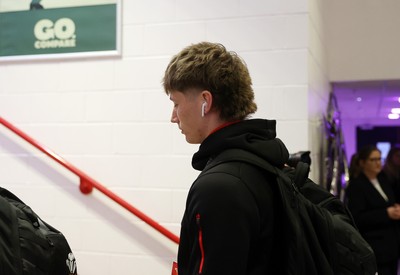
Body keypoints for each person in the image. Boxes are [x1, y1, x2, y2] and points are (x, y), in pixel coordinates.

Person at [163, 42, 288, 275]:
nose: (173, 117)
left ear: (205, 102)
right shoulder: (264, 160)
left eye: (176, 103)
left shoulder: (219, 186)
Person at [345, 145, 400, 275]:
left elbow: (388, 203)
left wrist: (395, 208)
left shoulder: (383, 179)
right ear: (362, 163)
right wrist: (386, 213)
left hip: (392, 245)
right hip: (375, 246)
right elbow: (357, 217)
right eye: (373, 160)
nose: (378, 163)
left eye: (379, 159)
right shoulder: (356, 186)